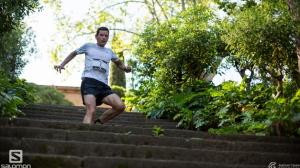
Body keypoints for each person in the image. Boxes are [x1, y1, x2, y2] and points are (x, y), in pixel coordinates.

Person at [54, 27, 132, 124]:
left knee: (120, 106)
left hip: (103, 86)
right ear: (96, 36)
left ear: (108, 38)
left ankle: (98, 122)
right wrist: (62, 64)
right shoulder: (88, 46)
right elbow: (74, 53)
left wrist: (124, 67)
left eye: (106, 36)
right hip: (89, 82)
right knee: (91, 110)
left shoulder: (109, 52)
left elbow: (118, 62)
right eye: (101, 35)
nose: (103, 38)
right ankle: (84, 135)